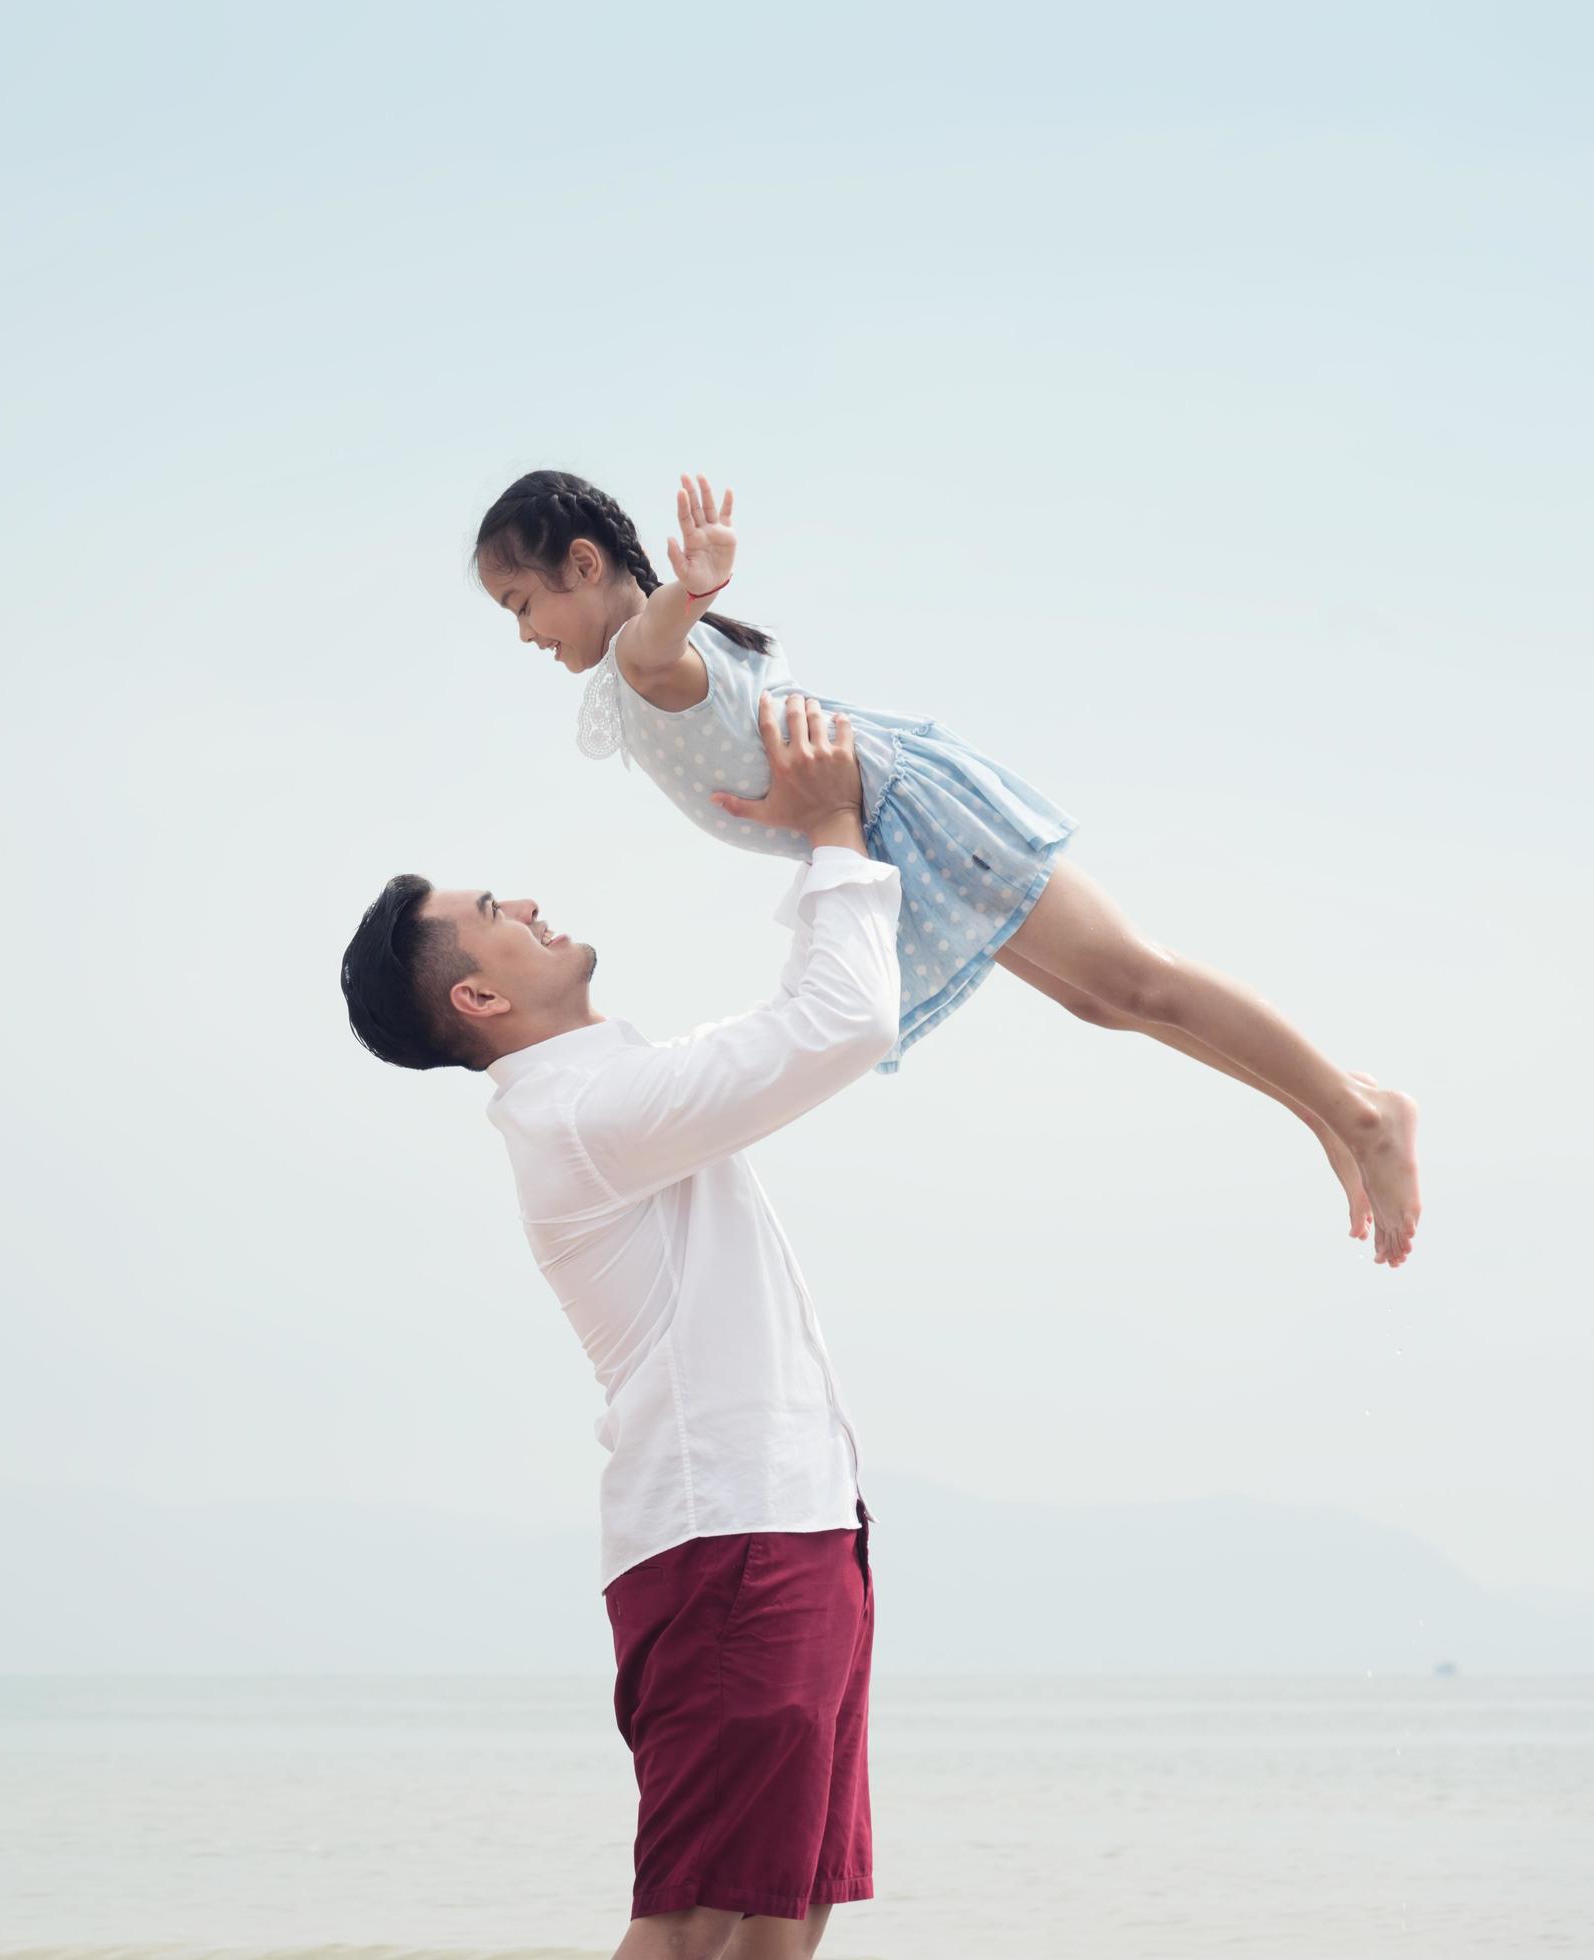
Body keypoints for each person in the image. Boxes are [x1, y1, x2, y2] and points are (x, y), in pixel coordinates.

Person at [473, 467, 1422, 1267]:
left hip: (901, 810)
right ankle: (1332, 1113)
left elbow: (652, 639)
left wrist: (694, 588)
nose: (523, 632)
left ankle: (1361, 1112)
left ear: (584, 566)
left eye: (523, 604)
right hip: (888, 824)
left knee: (1136, 977)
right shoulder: (647, 668)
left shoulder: (647, 660)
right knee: (1100, 999)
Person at [341, 694, 887, 1959]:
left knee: (779, 1915)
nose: (523, 902)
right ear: (476, 992)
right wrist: (830, 836)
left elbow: (797, 1020)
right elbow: (839, 1022)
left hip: (784, 1526)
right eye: (491, 914)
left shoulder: (604, 1093)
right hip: (729, 1542)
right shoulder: (585, 1114)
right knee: (695, 1921)